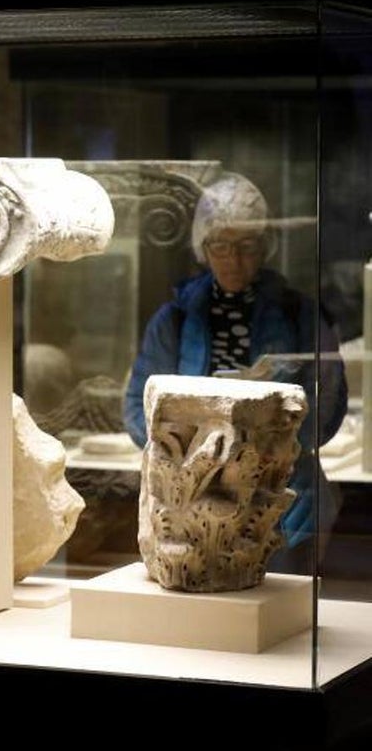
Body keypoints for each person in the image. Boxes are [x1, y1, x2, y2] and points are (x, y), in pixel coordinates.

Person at [123, 174, 348, 574]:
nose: (233, 259)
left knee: (278, 590)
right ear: (202, 248)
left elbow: (329, 401)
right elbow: (139, 403)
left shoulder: (300, 314)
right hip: (190, 491)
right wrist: (184, 460)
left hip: (284, 491)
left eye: (246, 246)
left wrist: (278, 450)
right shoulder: (174, 318)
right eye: (220, 246)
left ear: (264, 248)